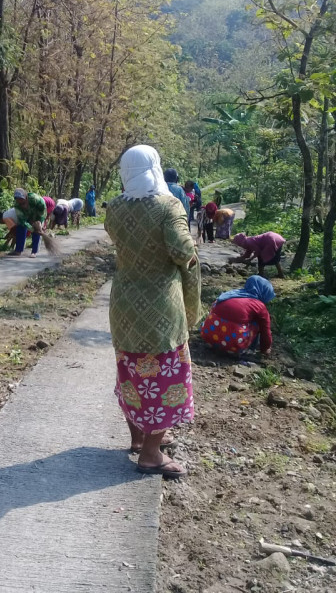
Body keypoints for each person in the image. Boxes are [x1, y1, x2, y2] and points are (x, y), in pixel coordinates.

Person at [105, 145, 200, 480]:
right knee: (166, 379)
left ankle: (138, 438)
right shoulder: (168, 206)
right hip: (161, 307)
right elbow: (181, 250)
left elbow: (118, 239)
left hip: (124, 305)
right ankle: (150, 453)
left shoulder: (115, 207)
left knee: (132, 374)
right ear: (156, 168)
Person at [201, 276, 275, 356]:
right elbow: (265, 331)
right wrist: (265, 348)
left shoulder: (231, 294)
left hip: (208, 334)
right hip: (234, 344)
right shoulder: (259, 306)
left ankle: (216, 343)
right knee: (259, 320)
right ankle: (249, 349)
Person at [10, 188, 46, 256]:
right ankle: (18, 250)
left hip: (38, 214)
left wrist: (39, 223)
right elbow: (22, 220)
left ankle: (34, 252)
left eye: (21, 199)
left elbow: (42, 210)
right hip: (26, 217)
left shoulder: (35, 199)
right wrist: (31, 228)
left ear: (26, 197)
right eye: (17, 199)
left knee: (37, 229)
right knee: (20, 227)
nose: (20, 201)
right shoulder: (17, 206)